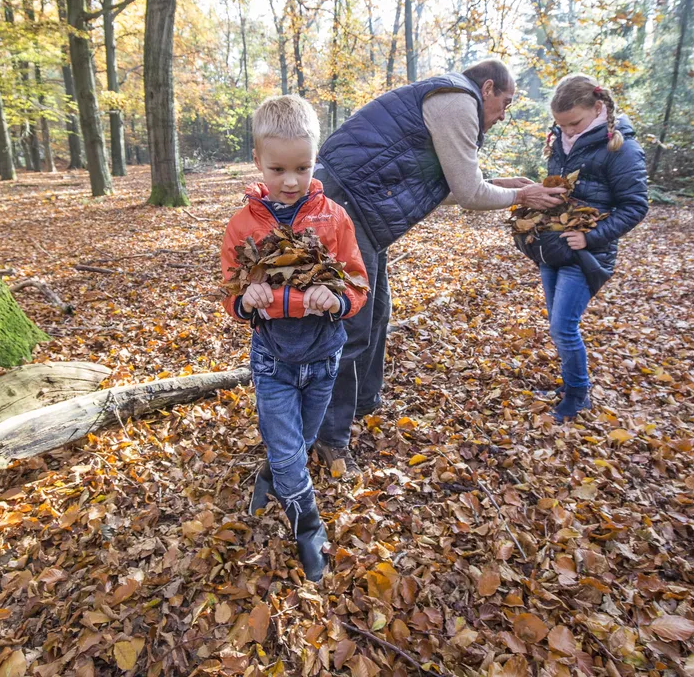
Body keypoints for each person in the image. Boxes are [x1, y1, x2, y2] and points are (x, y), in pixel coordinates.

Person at [313, 59, 567, 474]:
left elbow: (444, 189)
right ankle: (330, 438)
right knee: (354, 324)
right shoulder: (456, 100)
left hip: (363, 212)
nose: (504, 114)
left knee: (378, 313)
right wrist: (525, 198)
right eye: (505, 102)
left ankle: (362, 404)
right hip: (345, 209)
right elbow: (468, 193)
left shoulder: (450, 102)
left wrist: (509, 186)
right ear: (487, 88)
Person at [220, 95, 368, 582]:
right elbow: (231, 292)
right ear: (258, 162)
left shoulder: (334, 219)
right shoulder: (243, 226)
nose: (290, 180)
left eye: (302, 167)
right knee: (288, 451)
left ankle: (270, 475)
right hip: (274, 361)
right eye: (278, 168)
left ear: (315, 160)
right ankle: (308, 526)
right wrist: (248, 296)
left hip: (324, 356)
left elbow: (357, 281)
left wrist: (338, 298)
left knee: (298, 445)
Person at [524, 74, 649, 421]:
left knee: (563, 326)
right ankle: (568, 385)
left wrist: (591, 237)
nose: (566, 130)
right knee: (557, 323)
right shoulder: (564, 140)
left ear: (598, 108)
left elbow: (636, 206)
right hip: (555, 246)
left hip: (587, 253)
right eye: (560, 125)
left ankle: (579, 395)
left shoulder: (620, 146)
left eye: (573, 123)